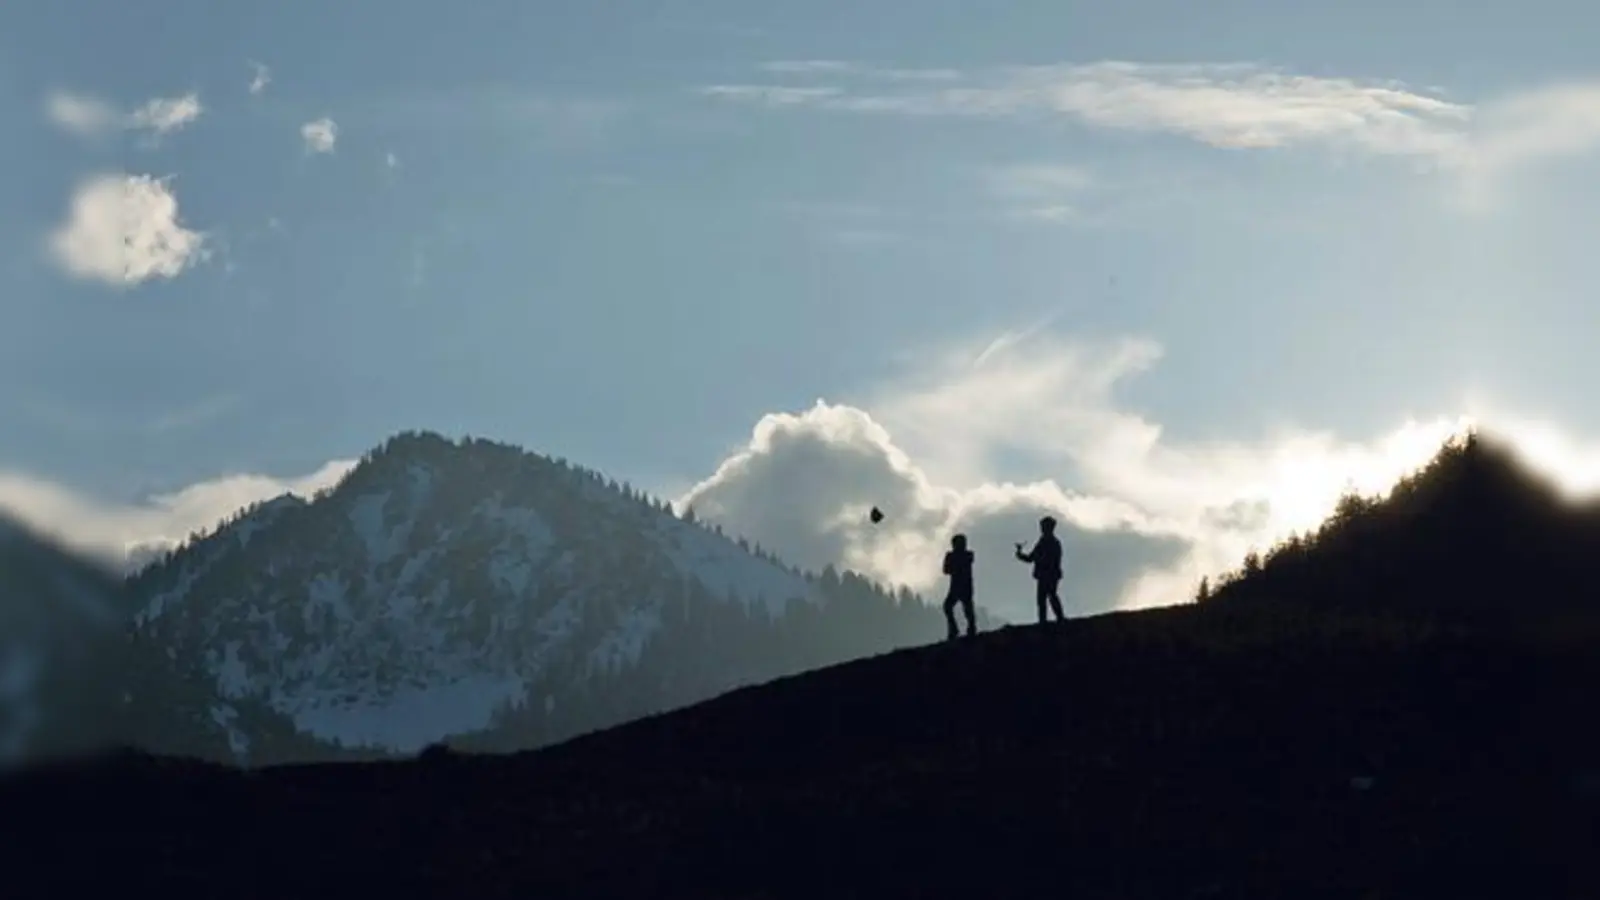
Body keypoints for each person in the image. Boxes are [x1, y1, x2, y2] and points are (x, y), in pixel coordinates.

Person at [1015, 516, 1066, 624]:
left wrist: (1020, 554)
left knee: (1047, 597)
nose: (1041, 529)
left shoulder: (1047, 543)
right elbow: (1031, 558)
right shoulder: (1050, 542)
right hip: (1048, 575)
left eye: (1043, 527)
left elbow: (1032, 558)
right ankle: (1051, 619)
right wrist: (1020, 554)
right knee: (1047, 597)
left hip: (1047, 575)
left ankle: (1051, 620)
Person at [941, 533, 976, 641]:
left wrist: (953, 564)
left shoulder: (966, 555)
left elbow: (948, 569)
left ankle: (966, 629)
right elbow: (946, 570)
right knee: (950, 607)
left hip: (962, 586)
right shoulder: (965, 555)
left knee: (966, 609)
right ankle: (958, 629)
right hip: (960, 586)